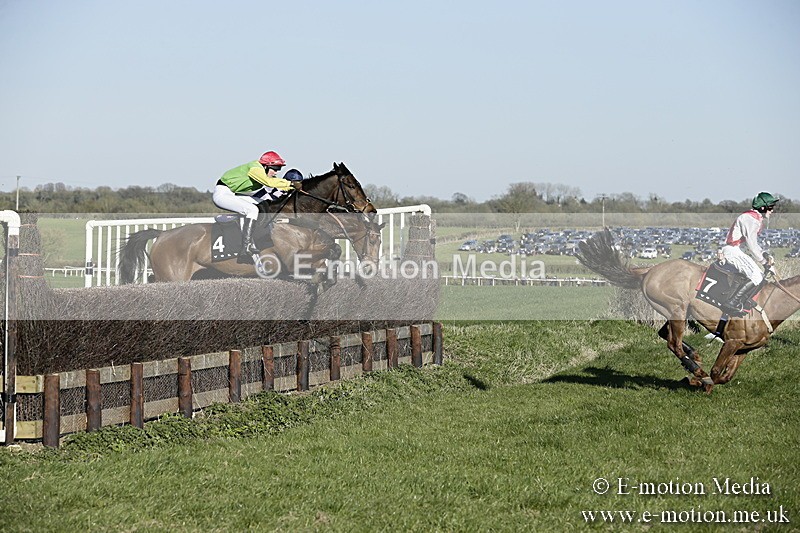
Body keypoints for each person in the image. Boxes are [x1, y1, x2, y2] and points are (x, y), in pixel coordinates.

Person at [212, 151, 298, 262]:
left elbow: (273, 183)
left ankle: (256, 236)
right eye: (275, 169)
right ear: (266, 166)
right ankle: (246, 246)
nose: (276, 172)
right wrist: (290, 184)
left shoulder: (260, 169)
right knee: (252, 210)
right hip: (222, 194)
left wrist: (291, 188)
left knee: (262, 203)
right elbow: (269, 182)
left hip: (230, 193)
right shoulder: (255, 168)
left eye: (278, 170)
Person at [720, 191, 779, 311]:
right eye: (771, 207)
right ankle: (732, 303)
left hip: (737, 250)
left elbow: (752, 244)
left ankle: (742, 300)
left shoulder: (754, 218)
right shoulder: (750, 218)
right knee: (757, 277)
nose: (772, 210)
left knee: (760, 276)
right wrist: (763, 262)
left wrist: (764, 254)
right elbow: (751, 244)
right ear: (763, 207)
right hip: (733, 251)